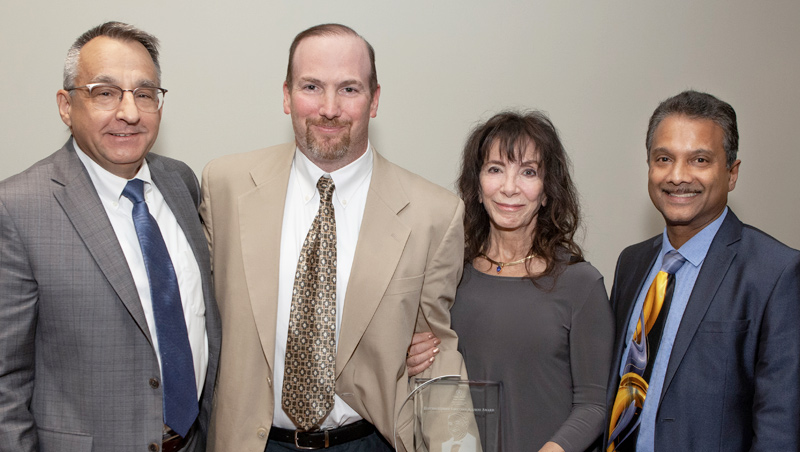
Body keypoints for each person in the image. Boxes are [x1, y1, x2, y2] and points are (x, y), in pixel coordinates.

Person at [200, 23, 468, 451]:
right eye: (311, 86)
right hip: (251, 441)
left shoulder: (434, 214)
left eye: (349, 89)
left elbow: (435, 356)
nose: (329, 108)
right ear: (286, 95)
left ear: (374, 100)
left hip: (368, 440)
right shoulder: (225, 186)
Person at [0, 21, 220, 452]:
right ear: (66, 105)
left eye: (144, 93)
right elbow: (5, 378)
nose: (130, 112)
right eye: (105, 93)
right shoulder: (17, 208)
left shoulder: (181, 182)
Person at [603, 90, 800, 451]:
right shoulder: (631, 263)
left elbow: (780, 427)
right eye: (664, 158)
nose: (678, 176)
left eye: (699, 160)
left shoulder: (776, 273)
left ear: (732, 172)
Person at [409, 111, 614, 452]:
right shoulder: (447, 276)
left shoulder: (581, 284)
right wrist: (411, 358)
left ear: (547, 191)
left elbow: (593, 404)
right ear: (476, 186)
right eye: (495, 169)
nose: (509, 187)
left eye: (528, 172)